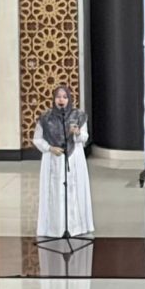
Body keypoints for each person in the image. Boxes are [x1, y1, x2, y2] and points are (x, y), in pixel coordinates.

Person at [33, 87, 93, 241]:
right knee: (55, 192)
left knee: (74, 191)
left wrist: (77, 133)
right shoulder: (45, 118)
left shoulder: (78, 116)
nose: (61, 100)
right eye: (58, 97)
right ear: (54, 99)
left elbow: (85, 137)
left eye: (65, 97)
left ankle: (76, 226)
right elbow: (37, 139)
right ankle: (54, 227)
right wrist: (49, 148)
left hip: (74, 158)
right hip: (53, 158)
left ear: (69, 99)